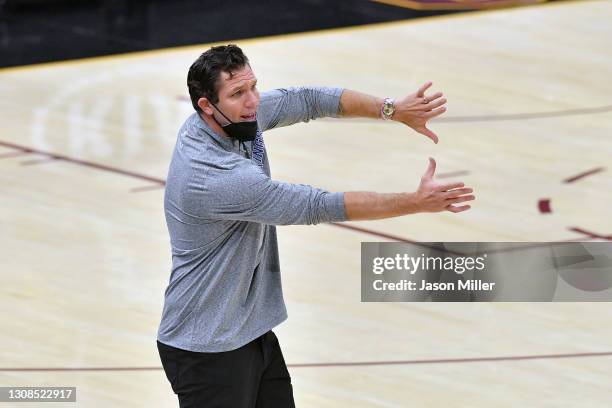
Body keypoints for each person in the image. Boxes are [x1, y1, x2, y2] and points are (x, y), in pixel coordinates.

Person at [156, 44, 474, 408]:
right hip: (206, 346)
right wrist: (414, 202)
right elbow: (318, 205)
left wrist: (393, 110)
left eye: (254, 87)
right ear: (206, 107)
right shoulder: (216, 177)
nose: (253, 101)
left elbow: (308, 100)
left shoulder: (236, 119)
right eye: (238, 94)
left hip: (247, 332)